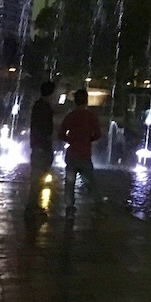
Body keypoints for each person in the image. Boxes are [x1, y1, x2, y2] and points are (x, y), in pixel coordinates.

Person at [56, 89, 103, 217]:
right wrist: (88, 139)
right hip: (84, 154)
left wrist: (70, 140)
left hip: (71, 154)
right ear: (86, 101)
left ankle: (69, 209)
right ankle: (97, 208)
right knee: (90, 183)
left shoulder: (70, 116)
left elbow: (60, 134)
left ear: (75, 101)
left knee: (70, 183)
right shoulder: (91, 116)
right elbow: (98, 134)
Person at [24, 81, 56, 221]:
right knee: (37, 178)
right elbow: (45, 129)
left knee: (38, 178)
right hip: (42, 147)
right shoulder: (44, 107)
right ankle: (31, 208)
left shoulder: (39, 105)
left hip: (38, 146)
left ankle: (34, 205)